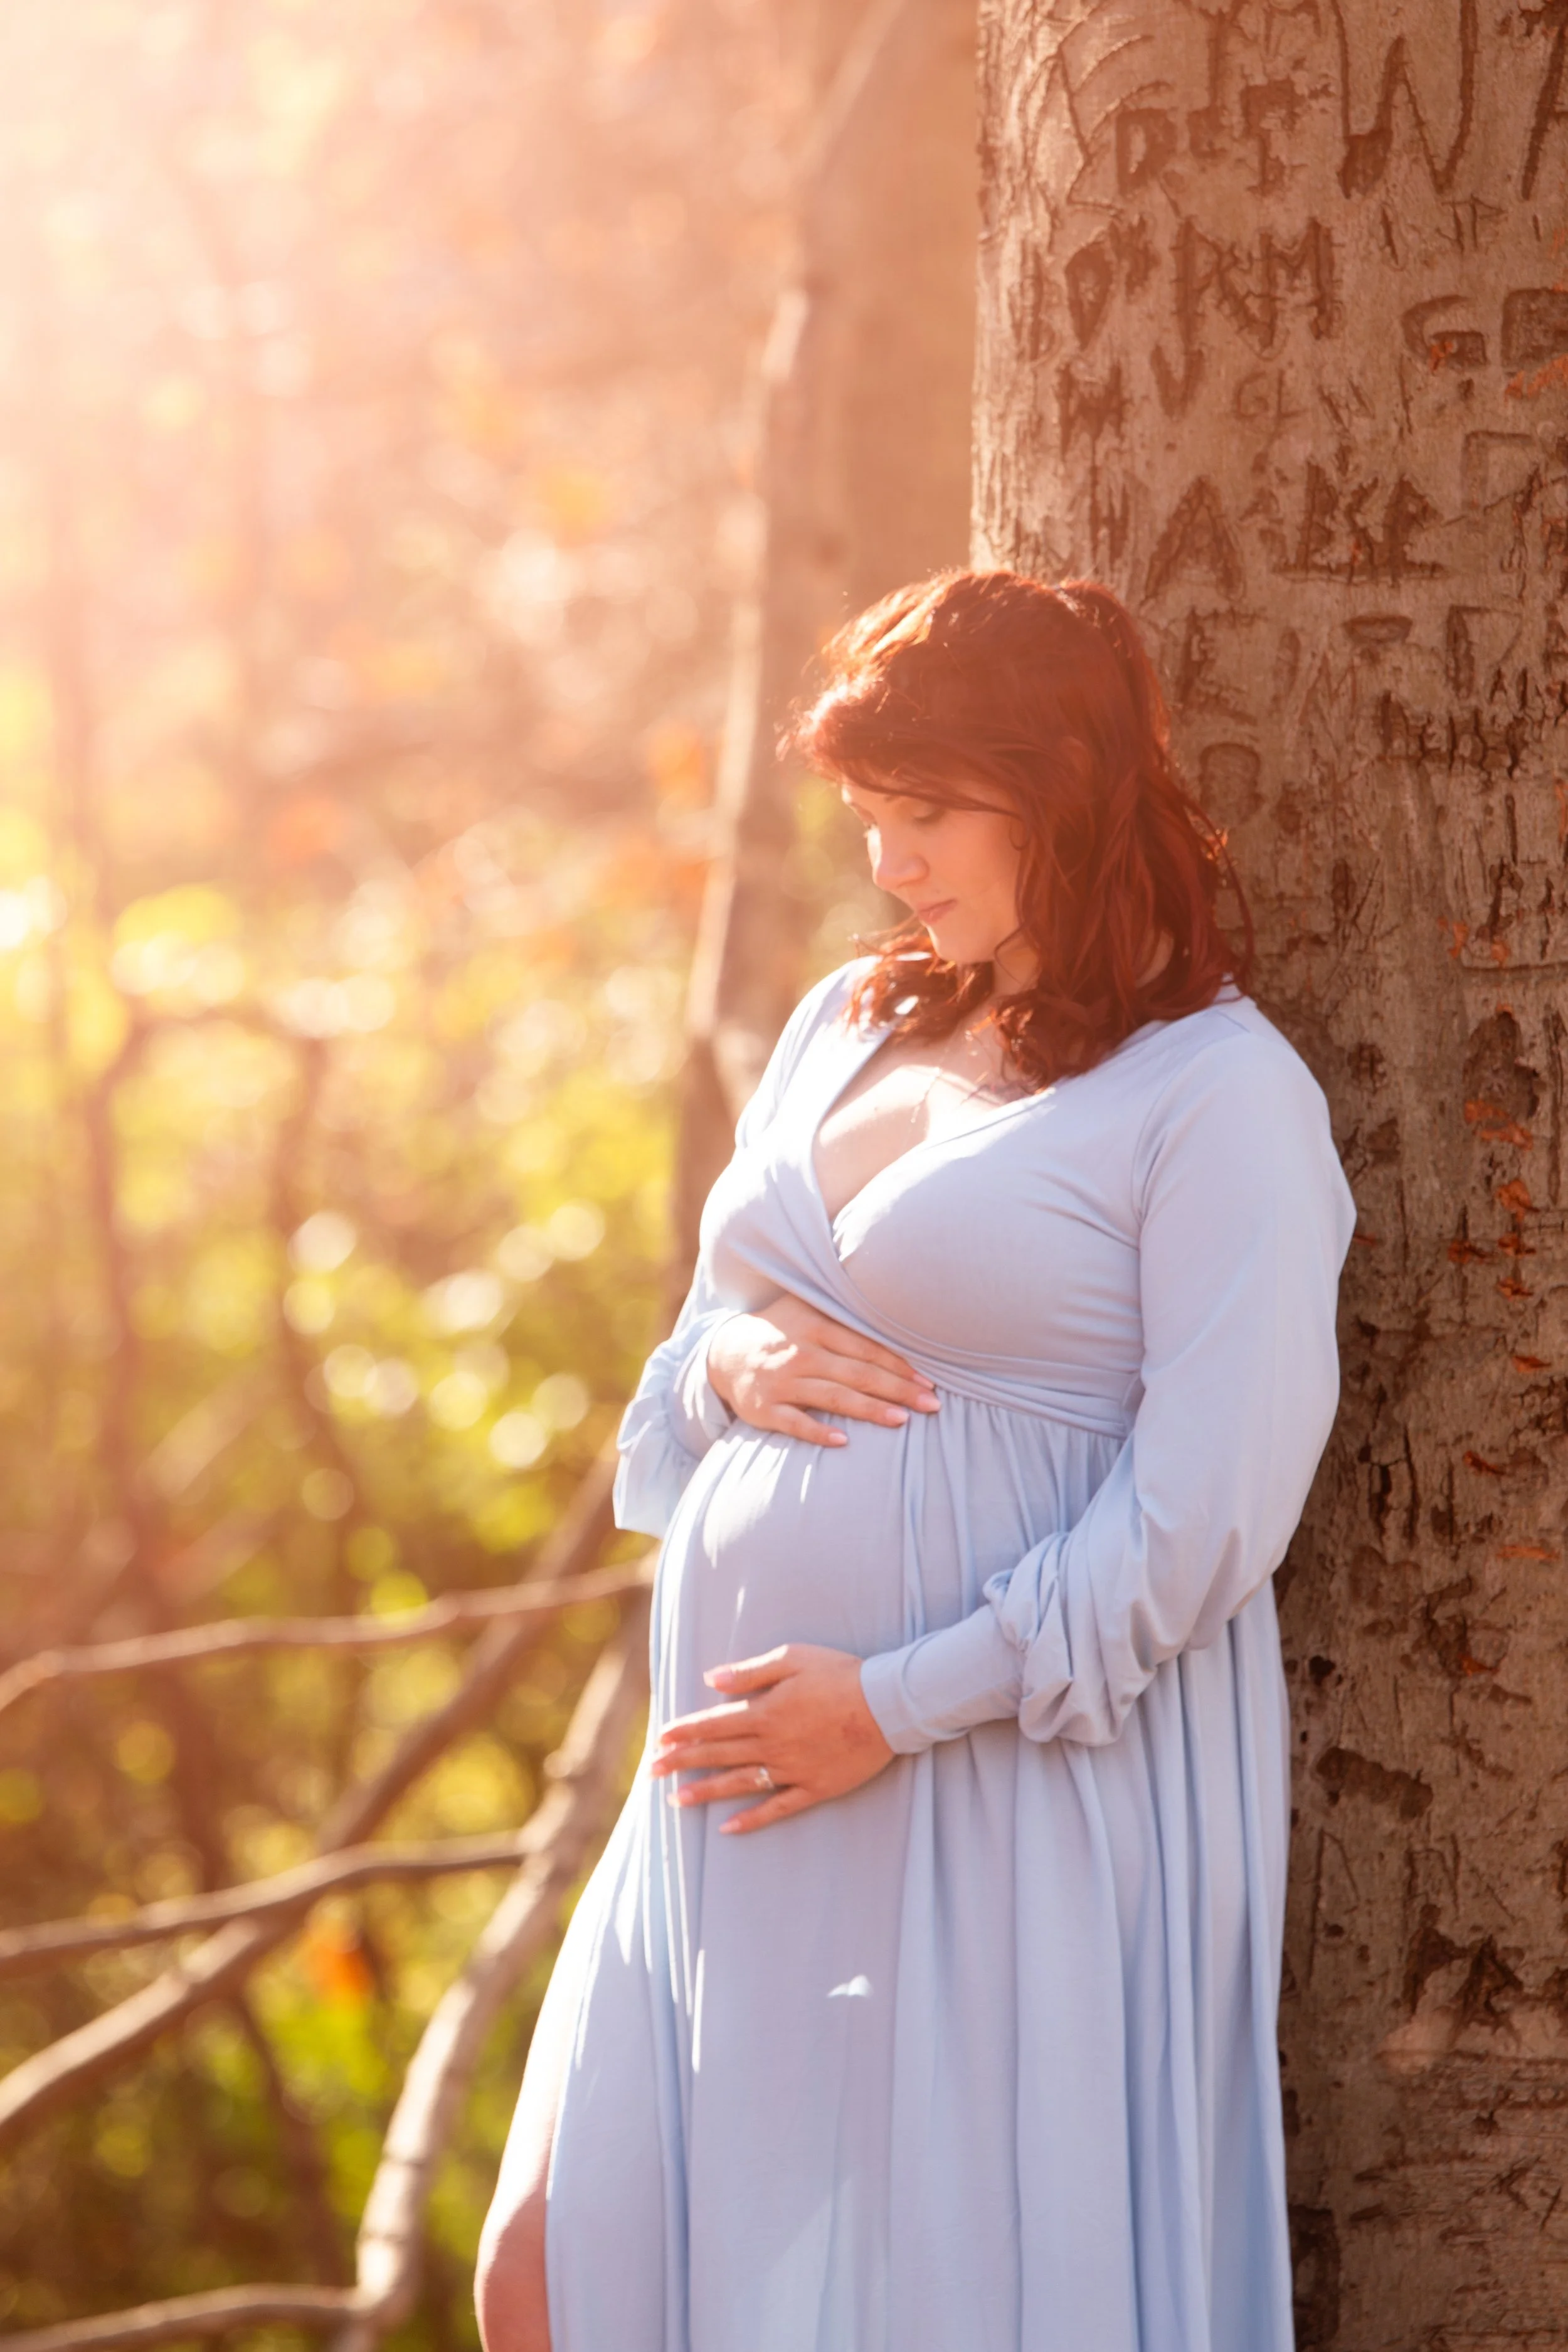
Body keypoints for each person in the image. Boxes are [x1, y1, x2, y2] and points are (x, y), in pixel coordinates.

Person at [476, 569, 1356, 2352]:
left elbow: (1199, 1527)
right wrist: (725, 1358)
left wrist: (886, 1700)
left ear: (1071, 791)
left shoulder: (1217, 1097)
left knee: (924, 2299)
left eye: (932, 814)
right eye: (874, 816)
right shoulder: (846, 1020)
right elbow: (688, 1364)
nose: (891, 862)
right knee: (548, 2284)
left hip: (993, 1779)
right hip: (732, 1788)